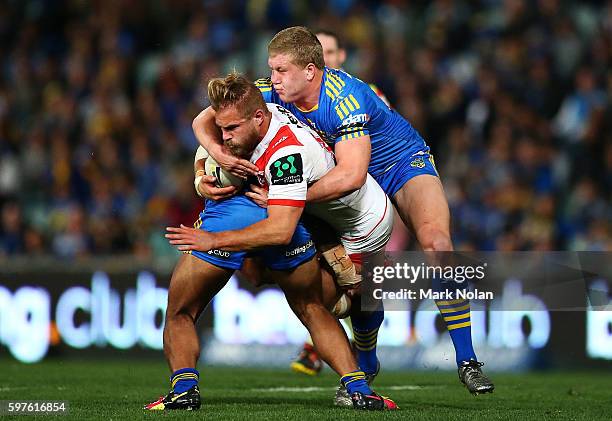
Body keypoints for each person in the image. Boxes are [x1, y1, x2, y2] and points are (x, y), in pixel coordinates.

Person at [192, 26, 494, 396]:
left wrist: (283, 198)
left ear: (310, 71)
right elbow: (203, 120)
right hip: (343, 179)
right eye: (272, 70)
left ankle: (467, 361)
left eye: (280, 70)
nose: (273, 79)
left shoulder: (344, 98)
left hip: (397, 163)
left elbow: (352, 174)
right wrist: (214, 158)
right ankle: (365, 360)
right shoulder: (273, 90)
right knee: (357, 287)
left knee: (437, 243)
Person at [146, 73, 397, 411]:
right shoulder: (252, 113)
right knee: (311, 306)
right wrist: (202, 176)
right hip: (292, 216)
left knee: (180, 310)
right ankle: (358, 386)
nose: (225, 136)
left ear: (259, 119)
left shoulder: (286, 153)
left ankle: (184, 391)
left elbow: (280, 229)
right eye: (222, 128)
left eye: (231, 129)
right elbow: (206, 136)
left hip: (273, 213)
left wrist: (212, 239)